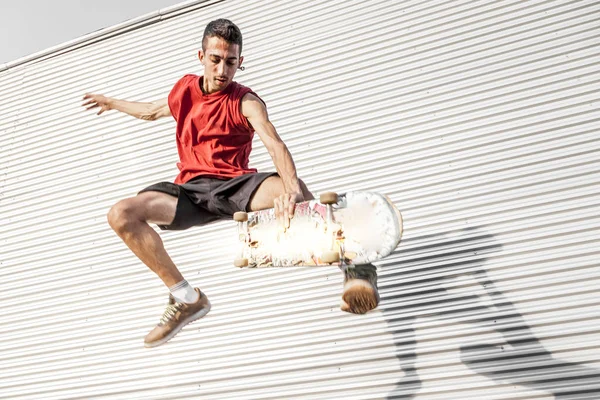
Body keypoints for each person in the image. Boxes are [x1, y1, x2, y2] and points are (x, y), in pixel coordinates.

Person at [82, 19, 379, 348]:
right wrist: (112, 102)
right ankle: (185, 298)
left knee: (294, 191)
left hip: (236, 186)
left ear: (240, 62)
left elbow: (274, 142)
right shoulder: (184, 91)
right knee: (121, 214)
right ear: (201, 56)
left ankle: (357, 268)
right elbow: (151, 111)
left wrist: (292, 190)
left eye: (231, 62)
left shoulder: (246, 101)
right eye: (215, 60)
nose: (223, 70)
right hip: (191, 192)